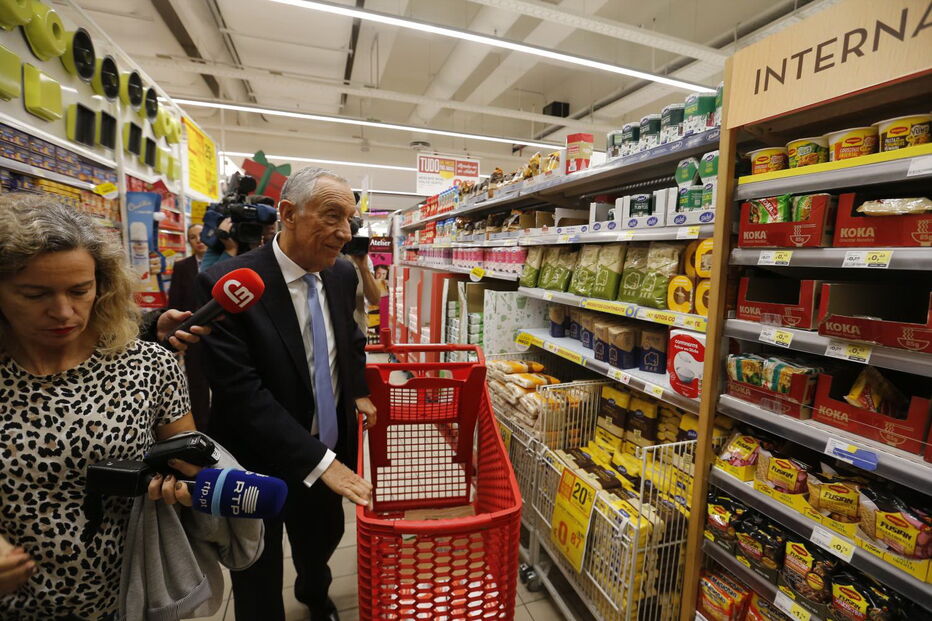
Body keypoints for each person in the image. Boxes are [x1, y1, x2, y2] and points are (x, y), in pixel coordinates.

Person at [0, 195, 202, 619]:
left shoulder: (149, 365)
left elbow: (191, 464)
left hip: (129, 595)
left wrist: (185, 487)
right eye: (34, 294)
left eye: (80, 290)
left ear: (103, 284)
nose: (63, 311)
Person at [197, 167, 376, 621]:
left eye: (350, 220)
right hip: (257, 456)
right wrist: (320, 461)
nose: (343, 232)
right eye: (332, 216)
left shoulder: (340, 276)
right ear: (288, 213)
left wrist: (357, 391)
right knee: (257, 563)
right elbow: (240, 392)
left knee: (320, 539)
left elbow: (350, 341)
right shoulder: (229, 283)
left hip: (329, 445)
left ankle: (315, 595)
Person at [167, 223, 211, 430]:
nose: (198, 240)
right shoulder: (182, 266)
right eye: (193, 237)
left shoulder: (221, 261)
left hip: (219, 331)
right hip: (192, 330)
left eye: (201, 235)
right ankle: (201, 425)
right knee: (196, 381)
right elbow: (175, 300)